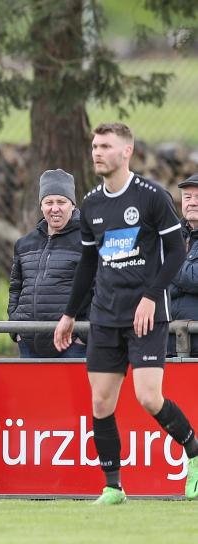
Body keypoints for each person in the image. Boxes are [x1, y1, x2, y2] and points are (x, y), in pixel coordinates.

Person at [54, 122, 198, 504]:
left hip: (146, 315)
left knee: (149, 397)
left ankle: (195, 455)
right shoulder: (92, 205)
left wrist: (152, 296)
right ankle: (113, 486)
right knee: (101, 402)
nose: (97, 152)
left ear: (127, 151)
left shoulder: (151, 197)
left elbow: (178, 254)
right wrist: (70, 314)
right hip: (105, 315)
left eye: (105, 146)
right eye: (94, 146)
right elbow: (88, 263)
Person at [9, 169, 89, 358]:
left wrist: (83, 335)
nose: (55, 208)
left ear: (72, 204)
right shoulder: (24, 243)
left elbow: (98, 290)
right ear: (41, 205)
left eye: (61, 202)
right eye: (49, 202)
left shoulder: (87, 242)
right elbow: (15, 288)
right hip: (28, 343)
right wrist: (16, 329)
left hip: (72, 344)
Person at [167, 173, 198, 357]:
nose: (192, 202)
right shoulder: (170, 235)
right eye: (187, 197)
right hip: (167, 342)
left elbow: (194, 279)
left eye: (197, 197)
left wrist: (168, 263)